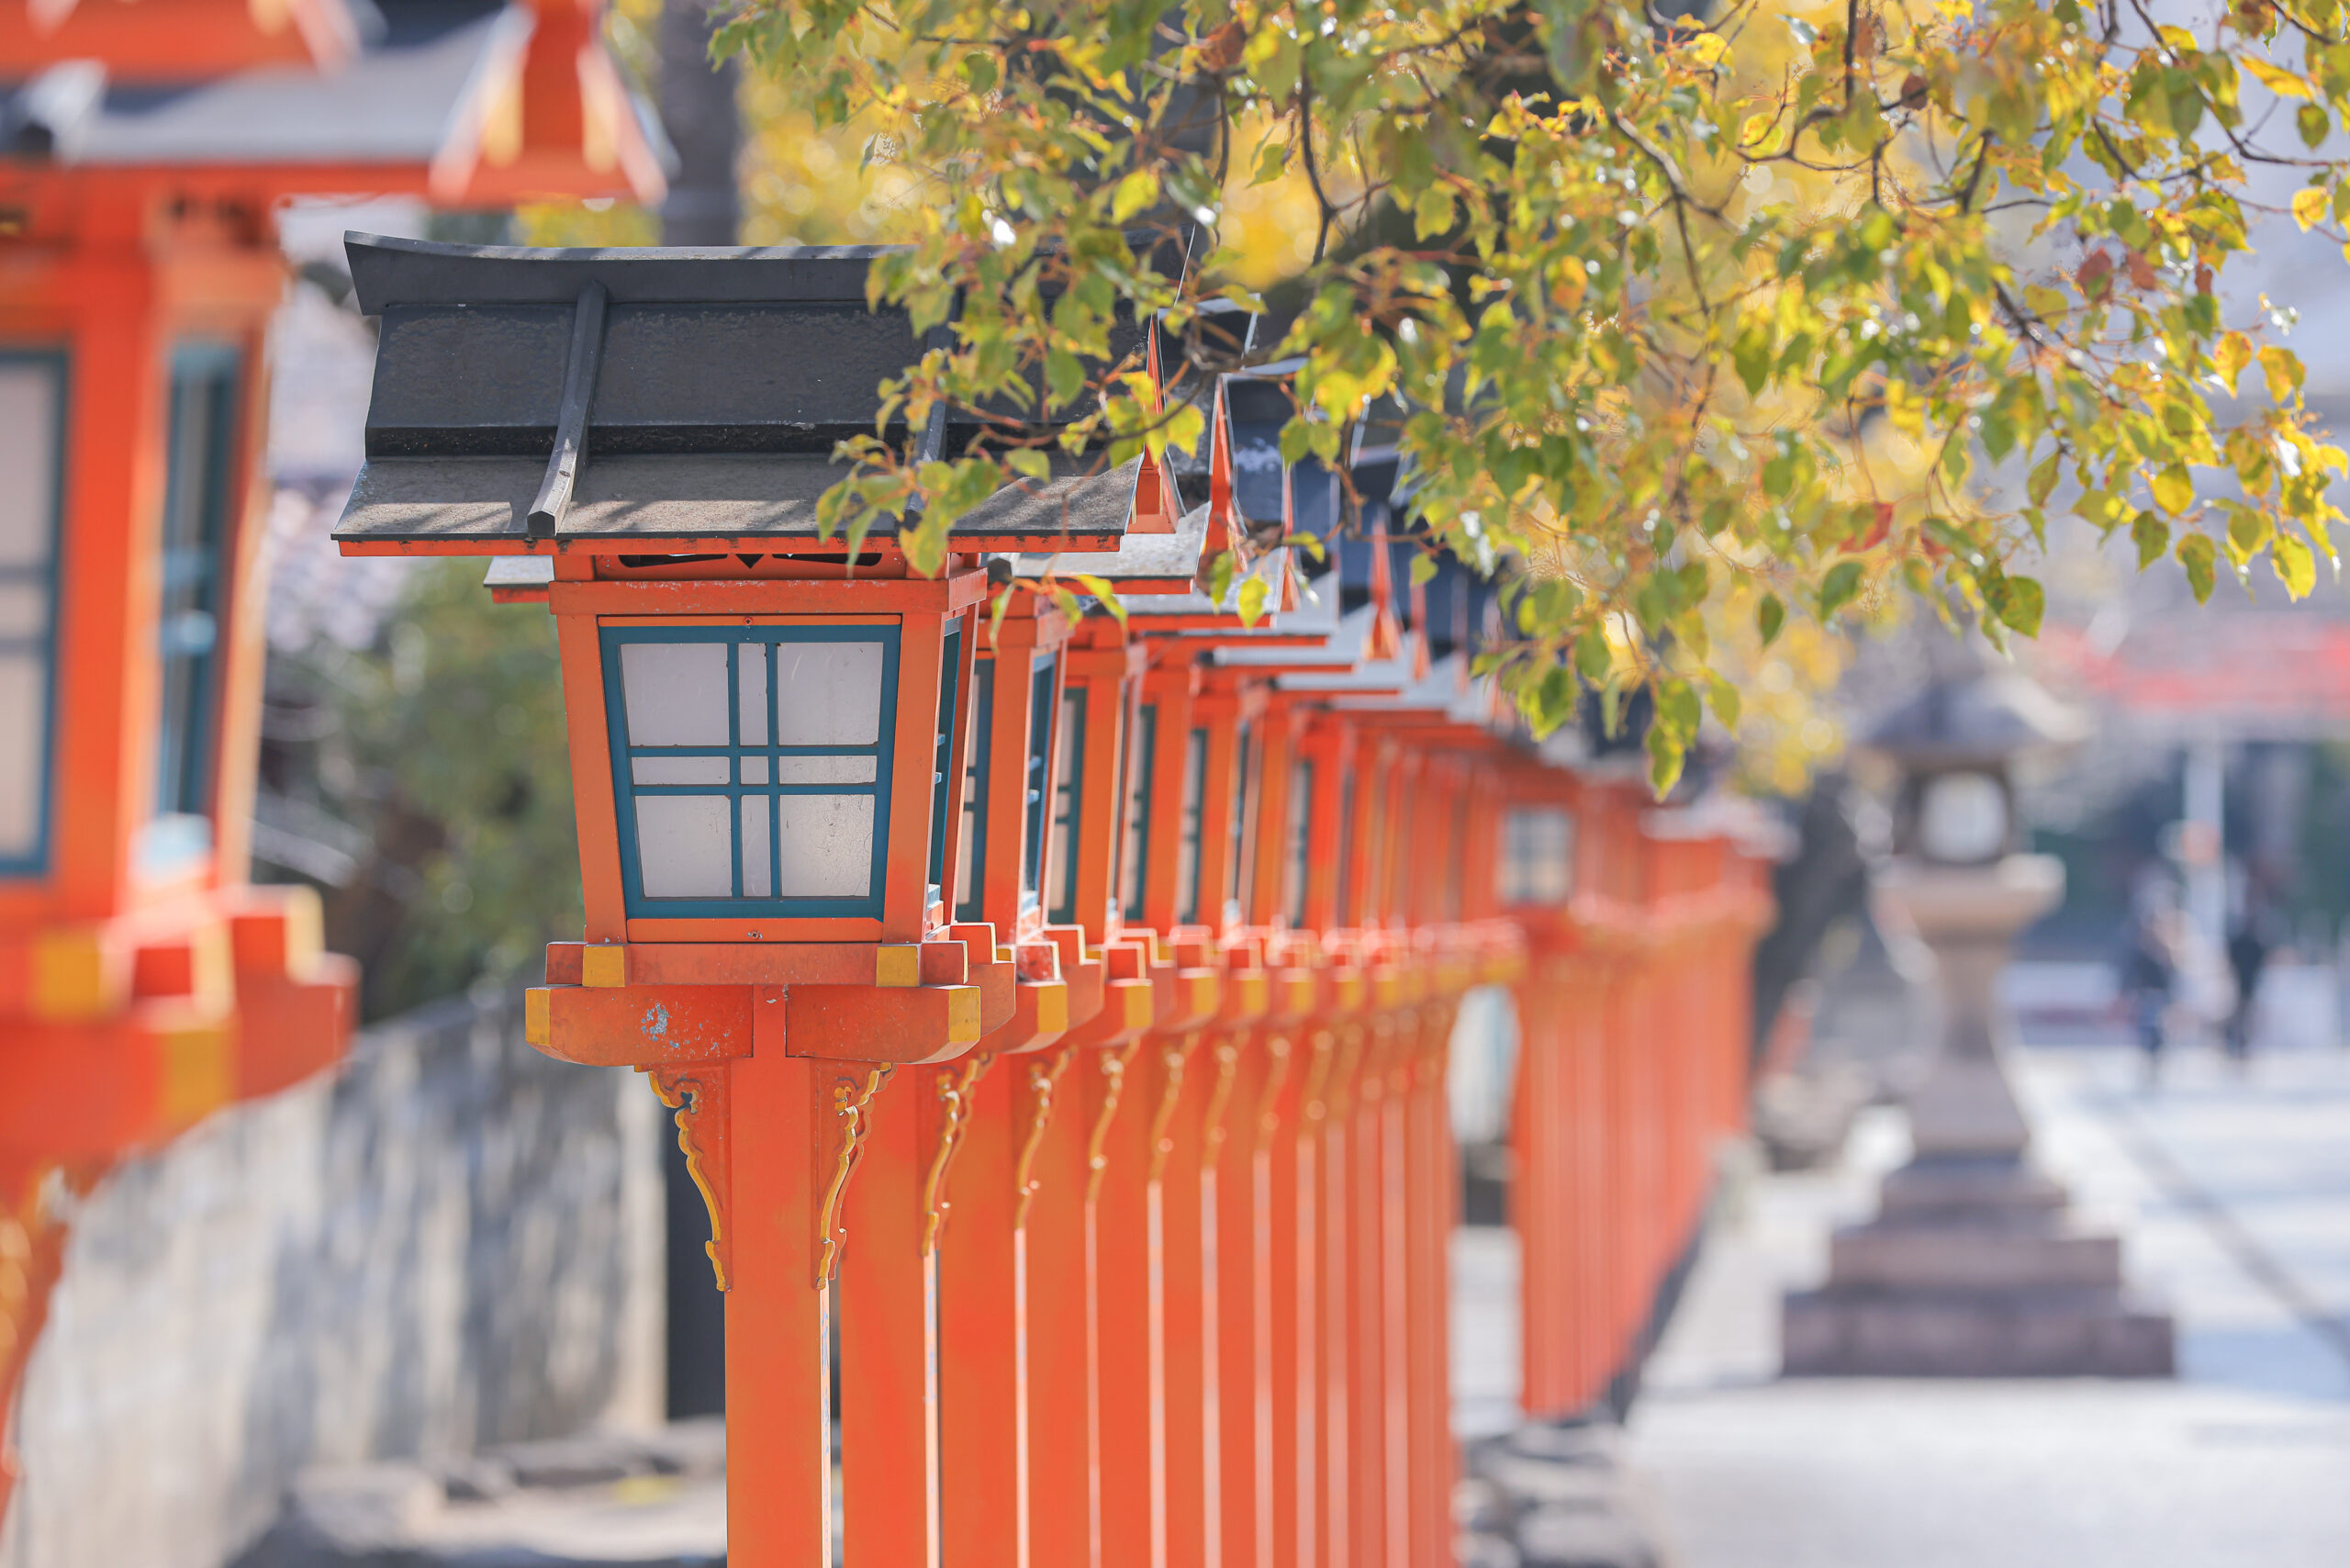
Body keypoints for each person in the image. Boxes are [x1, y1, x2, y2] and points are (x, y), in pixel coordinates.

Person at [2119, 909, 2176, 1088]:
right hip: (2145, 997)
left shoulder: (2164, 949)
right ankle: (2147, 1063)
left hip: (2158, 997)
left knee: (2158, 1032)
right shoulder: (2140, 950)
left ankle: (2155, 1063)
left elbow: (2170, 976)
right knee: (2145, 1031)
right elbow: (2131, 975)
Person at [2225, 913, 2271, 1069]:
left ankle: (2242, 1047)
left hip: (2243, 985)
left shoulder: (2244, 943)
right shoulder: (2253, 943)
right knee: (2243, 1018)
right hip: (2244, 985)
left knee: (2244, 1018)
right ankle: (2239, 1047)